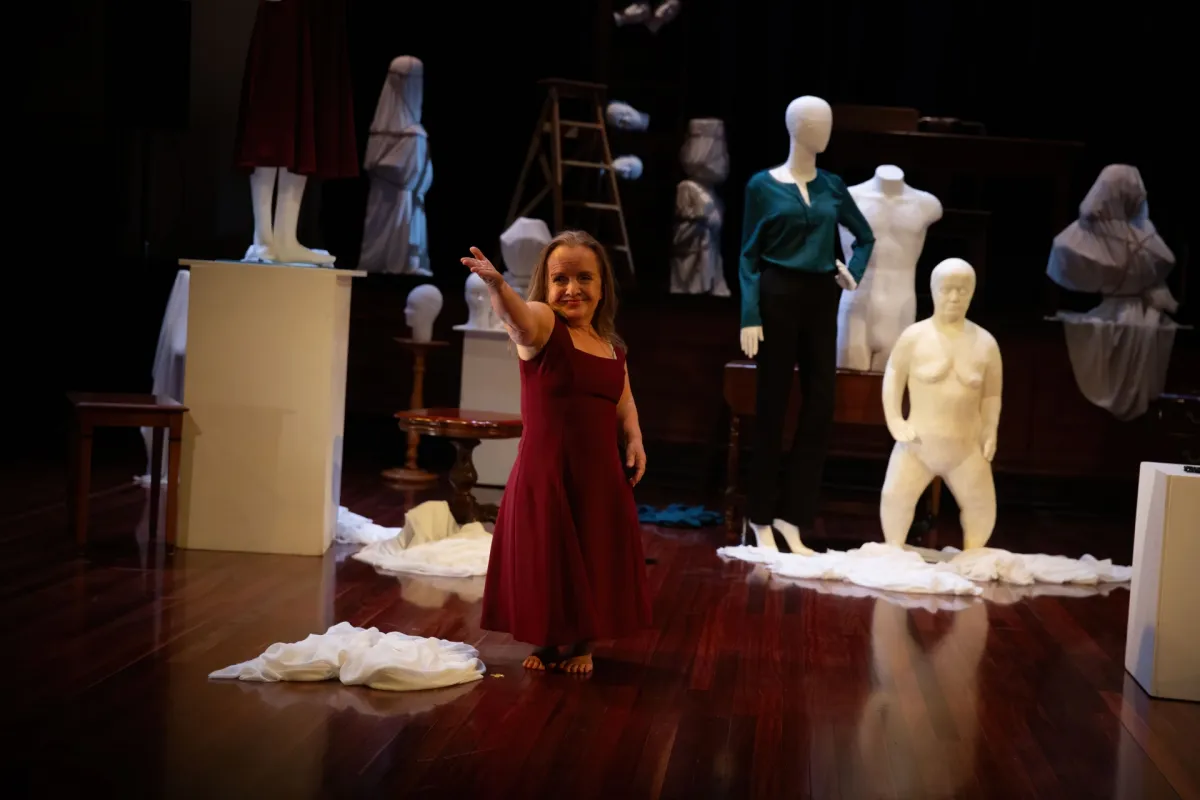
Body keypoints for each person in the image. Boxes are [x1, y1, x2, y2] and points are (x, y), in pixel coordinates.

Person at [462, 231, 653, 675]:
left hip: (600, 474)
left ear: (602, 286)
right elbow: (520, 319)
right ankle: (548, 641)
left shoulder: (612, 347)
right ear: (545, 287)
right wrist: (497, 287)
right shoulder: (544, 326)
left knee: (593, 554)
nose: (572, 289)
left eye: (584, 277)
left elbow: (623, 400)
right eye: (560, 279)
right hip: (548, 471)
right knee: (547, 558)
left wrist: (636, 437)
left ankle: (584, 643)